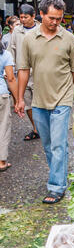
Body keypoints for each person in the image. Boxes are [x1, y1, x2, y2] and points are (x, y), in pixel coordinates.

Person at [16, 0, 74, 204]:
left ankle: (56, 186)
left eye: (59, 18)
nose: (56, 22)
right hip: (39, 100)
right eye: (52, 18)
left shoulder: (68, 38)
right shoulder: (29, 39)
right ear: (41, 14)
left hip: (62, 99)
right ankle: (60, 174)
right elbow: (23, 70)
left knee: (58, 144)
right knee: (47, 145)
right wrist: (20, 99)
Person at [8, 3, 40, 141]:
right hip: (22, 72)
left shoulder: (41, 28)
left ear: (33, 16)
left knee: (41, 103)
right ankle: (36, 129)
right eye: (21, 17)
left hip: (39, 72)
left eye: (26, 17)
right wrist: (9, 69)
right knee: (27, 103)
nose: (23, 20)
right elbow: (11, 49)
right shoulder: (17, 31)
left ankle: (45, 128)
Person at [0, 40, 18, 172]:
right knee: (3, 127)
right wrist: (18, 99)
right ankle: (1, 161)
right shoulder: (5, 54)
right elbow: (11, 79)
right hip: (1, 95)